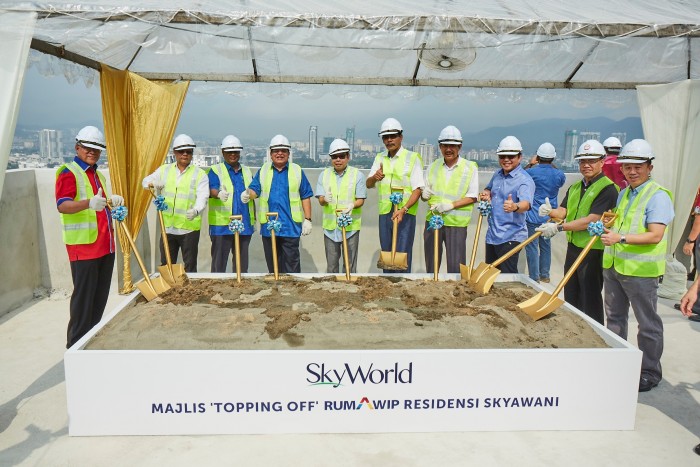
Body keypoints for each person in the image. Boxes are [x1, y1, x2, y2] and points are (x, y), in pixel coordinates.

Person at [600, 139, 675, 392]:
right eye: (627, 166)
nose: (632, 171)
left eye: (638, 166)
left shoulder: (658, 196)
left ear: (649, 167)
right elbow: (620, 224)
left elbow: (655, 235)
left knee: (648, 324)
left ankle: (649, 372)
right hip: (615, 266)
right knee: (615, 318)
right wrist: (606, 228)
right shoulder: (624, 193)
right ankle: (618, 363)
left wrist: (619, 238)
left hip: (641, 272)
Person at [55, 125, 124, 348]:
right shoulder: (69, 172)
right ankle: (75, 348)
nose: (92, 152)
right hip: (84, 249)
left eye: (96, 149)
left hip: (105, 246)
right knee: (83, 304)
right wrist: (88, 203)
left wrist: (112, 202)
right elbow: (63, 205)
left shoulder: (97, 174)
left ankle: (90, 345)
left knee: (98, 301)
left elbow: (100, 206)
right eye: (87, 148)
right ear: (77, 147)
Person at [536, 140, 618, 324]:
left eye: (591, 161)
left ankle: (593, 330)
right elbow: (564, 211)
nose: (586, 165)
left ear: (602, 161)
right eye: (582, 161)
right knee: (571, 293)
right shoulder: (575, 187)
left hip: (593, 250)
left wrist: (559, 227)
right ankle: (574, 329)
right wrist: (550, 212)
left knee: (589, 296)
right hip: (574, 247)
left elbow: (591, 220)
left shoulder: (608, 189)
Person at [242, 134, 313, 273]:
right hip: (269, 228)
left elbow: (305, 195)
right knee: (273, 266)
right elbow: (255, 190)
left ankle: (292, 287)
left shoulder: (297, 171)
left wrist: (308, 219)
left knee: (292, 267)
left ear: (288, 153)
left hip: (290, 227)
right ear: (270, 153)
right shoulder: (263, 171)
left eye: (283, 150)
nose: (279, 153)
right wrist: (247, 194)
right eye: (276, 151)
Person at [142, 134, 209, 272]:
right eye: (181, 151)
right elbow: (144, 182)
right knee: (166, 266)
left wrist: (196, 210)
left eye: (188, 151)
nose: (185, 154)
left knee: (190, 267)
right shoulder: (164, 170)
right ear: (174, 152)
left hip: (188, 228)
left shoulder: (200, 174)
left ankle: (189, 287)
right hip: (168, 228)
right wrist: (153, 183)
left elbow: (203, 197)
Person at [366, 117, 424, 273]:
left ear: (401, 137)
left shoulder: (412, 158)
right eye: (386, 137)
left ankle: (403, 283)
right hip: (386, 212)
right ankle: (388, 283)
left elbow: (418, 189)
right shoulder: (379, 158)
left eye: (393, 136)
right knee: (387, 252)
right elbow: (368, 184)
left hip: (405, 214)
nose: (389, 140)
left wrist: (404, 209)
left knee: (402, 253)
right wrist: (375, 177)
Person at [421, 125, 478, 273]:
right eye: (445, 145)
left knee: (456, 266)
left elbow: (473, 196)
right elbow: (425, 193)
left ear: (459, 146)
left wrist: (450, 205)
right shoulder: (433, 167)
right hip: (433, 221)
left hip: (456, 224)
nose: (448, 149)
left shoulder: (469, 168)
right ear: (439, 146)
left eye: (452, 145)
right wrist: (424, 195)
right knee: (431, 264)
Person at [479, 136, 535, 274]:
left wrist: (515, 207)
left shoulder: (524, 180)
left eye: (511, 156)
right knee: (490, 275)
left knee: (507, 277)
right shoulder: (497, 174)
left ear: (520, 157)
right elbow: (488, 188)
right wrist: (486, 194)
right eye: (502, 156)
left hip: (510, 237)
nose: (506, 160)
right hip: (493, 235)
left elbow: (526, 204)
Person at [315, 139, 366, 273]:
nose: (338, 160)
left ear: (348, 157)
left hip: (351, 227)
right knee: (331, 266)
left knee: (350, 266)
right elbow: (320, 200)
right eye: (334, 157)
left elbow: (361, 200)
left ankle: (349, 285)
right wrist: (324, 199)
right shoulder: (324, 175)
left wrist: (353, 205)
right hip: (330, 228)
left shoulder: (357, 175)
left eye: (341, 156)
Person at [207, 135, 255, 273]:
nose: (232, 154)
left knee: (242, 266)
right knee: (219, 265)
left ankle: (240, 285)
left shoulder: (246, 171)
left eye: (235, 151)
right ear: (223, 152)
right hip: (222, 225)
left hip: (244, 224)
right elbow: (211, 189)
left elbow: (255, 189)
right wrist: (218, 194)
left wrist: (250, 194)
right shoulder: (216, 170)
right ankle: (217, 286)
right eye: (229, 152)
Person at [524, 142, 565, 283]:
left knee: (532, 246)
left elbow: (520, 176)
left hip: (533, 215)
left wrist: (530, 164)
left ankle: (534, 277)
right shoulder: (559, 174)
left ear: (538, 156)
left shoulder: (531, 172)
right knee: (546, 246)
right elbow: (560, 181)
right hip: (550, 215)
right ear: (553, 158)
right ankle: (545, 275)